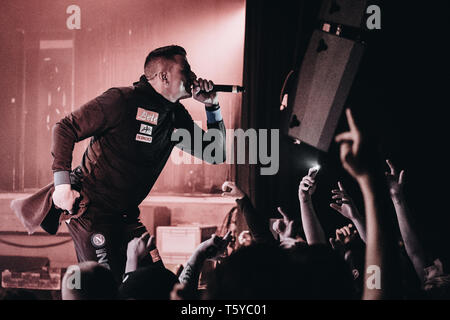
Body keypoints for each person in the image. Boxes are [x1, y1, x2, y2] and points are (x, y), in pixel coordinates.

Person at [49, 45, 226, 281]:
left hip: (127, 217)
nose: (193, 76)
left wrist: (212, 106)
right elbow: (65, 127)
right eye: (186, 70)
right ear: (164, 76)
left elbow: (215, 153)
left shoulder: (175, 115)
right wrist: (61, 186)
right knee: (108, 290)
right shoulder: (122, 100)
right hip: (93, 213)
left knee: (155, 283)